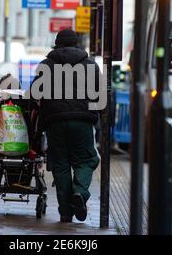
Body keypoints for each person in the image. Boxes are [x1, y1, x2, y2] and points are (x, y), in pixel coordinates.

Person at [30, 29, 101, 223]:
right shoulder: (90, 65)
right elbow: (101, 96)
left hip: (54, 122)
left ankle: (65, 212)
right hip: (82, 121)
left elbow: (34, 94)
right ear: (77, 44)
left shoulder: (46, 65)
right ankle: (79, 192)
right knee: (86, 160)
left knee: (60, 165)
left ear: (57, 44)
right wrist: (100, 124)